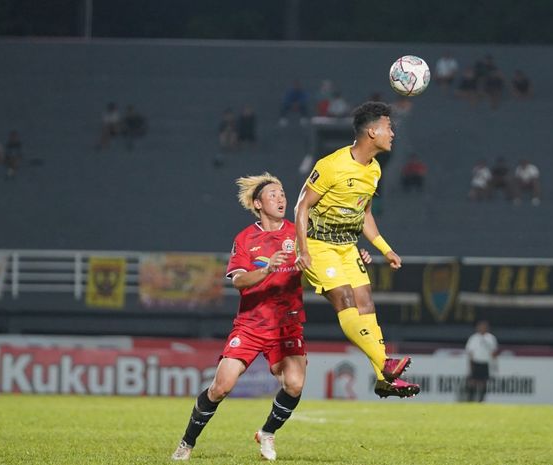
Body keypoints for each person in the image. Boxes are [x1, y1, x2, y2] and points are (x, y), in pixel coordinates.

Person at [171, 173, 313, 461]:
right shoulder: (246, 238)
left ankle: (267, 433)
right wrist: (267, 269)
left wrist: (355, 257)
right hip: (251, 325)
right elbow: (238, 281)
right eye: (273, 195)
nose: (281, 198)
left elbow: (326, 256)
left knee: (295, 384)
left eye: (283, 193)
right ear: (258, 203)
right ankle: (187, 442)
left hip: (287, 324)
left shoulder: (298, 232)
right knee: (221, 386)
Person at [294, 101, 420, 399]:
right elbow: (302, 206)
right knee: (346, 299)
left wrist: (385, 248)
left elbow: (365, 214)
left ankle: (383, 379)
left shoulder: (374, 169)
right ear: (372, 131)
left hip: (347, 247)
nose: (392, 133)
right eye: (389, 128)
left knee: (367, 306)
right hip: (319, 246)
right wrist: (302, 250)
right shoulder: (331, 165)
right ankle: (384, 364)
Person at [465, 320, 499, 402]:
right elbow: (470, 352)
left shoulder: (491, 338)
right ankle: (470, 400)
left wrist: (494, 364)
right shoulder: (473, 338)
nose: (482, 328)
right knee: (473, 382)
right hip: (476, 362)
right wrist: (471, 363)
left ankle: (481, 401)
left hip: (485, 363)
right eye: (481, 326)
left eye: (484, 326)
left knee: (483, 382)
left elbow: (494, 352)